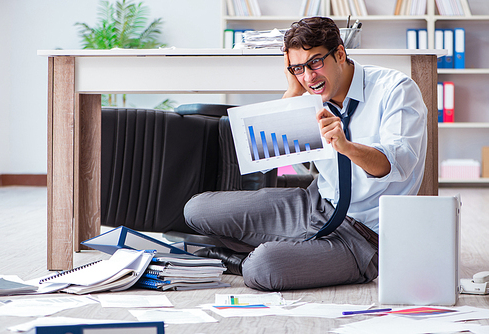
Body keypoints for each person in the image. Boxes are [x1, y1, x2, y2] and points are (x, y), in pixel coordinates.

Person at [183, 17, 427, 291]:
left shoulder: (395, 89)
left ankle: (255, 258)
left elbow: (398, 164)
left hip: (364, 236)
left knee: (261, 267)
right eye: (298, 68)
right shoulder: (308, 96)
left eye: (315, 63)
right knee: (196, 210)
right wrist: (292, 93)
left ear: (340, 54)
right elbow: (266, 157)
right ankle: (297, 252)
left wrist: (346, 146)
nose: (309, 77)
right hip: (315, 206)